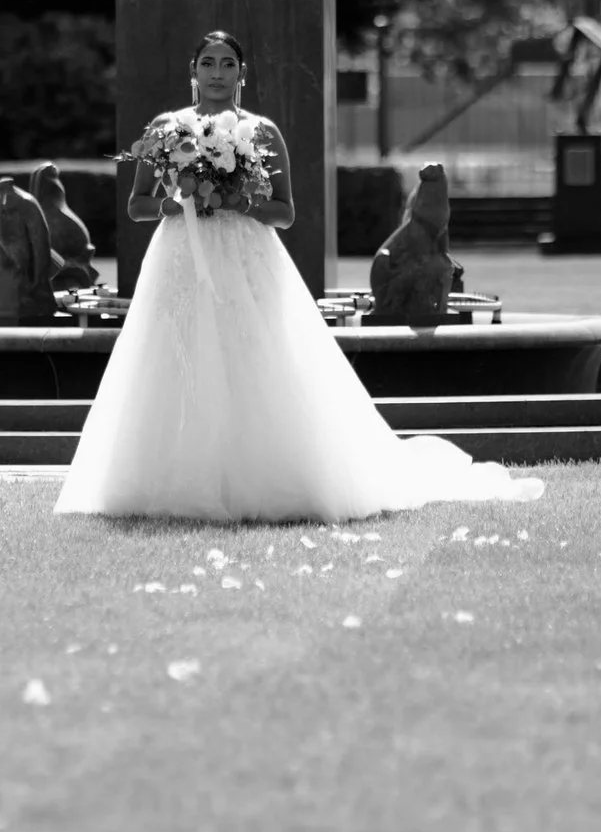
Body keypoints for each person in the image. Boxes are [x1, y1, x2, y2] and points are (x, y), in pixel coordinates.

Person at [55, 30, 543, 522]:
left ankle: (267, 474)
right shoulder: (167, 127)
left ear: (242, 74)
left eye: (228, 64)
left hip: (247, 256)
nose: (218, 73)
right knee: (174, 351)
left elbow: (285, 213)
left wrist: (237, 200)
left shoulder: (262, 131)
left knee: (253, 352)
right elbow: (138, 205)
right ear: (193, 70)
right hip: (182, 255)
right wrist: (180, 201)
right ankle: (167, 477)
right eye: (208, 63)